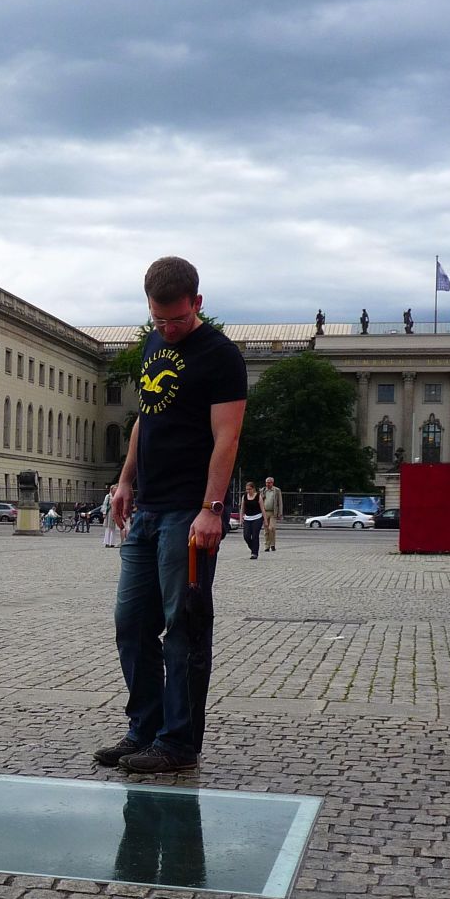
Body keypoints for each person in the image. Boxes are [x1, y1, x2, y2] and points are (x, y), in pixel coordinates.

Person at [94, 256, 247, 776]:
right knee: (131, 624)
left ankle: (178, 743)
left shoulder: (221, 356)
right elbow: (145, 418)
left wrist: (212, 509)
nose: (167, 328)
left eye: (177, 320)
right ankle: (144, 729)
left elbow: (227, 436)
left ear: (197, 304)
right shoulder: (155, 344)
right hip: (149, 509)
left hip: (189, 513)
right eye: (158, 319)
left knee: (183, 629)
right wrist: (125, 479)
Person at [239, 480, 263, 559]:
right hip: (247, 518)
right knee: (246, 536)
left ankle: (254, 553)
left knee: (255, 535)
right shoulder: (244, 497)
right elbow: (242, 508)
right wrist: (241, 519)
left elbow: (262, 509)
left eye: (249, 489)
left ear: (253, 489)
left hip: (257, 517)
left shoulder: (258, 496)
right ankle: (253, 548)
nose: (248, 491)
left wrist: (265, 520)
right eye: (247, 489)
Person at [261, 475, 283, 552]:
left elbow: (280, 502)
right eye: (267, 482)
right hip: (265, 512)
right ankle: (267, 546)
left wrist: (280, 513)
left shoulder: (276, 490)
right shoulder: (263, 490)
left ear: (272, 483)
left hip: (273, 512)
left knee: (272, 528)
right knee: (266, 529)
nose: (268, 484)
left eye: (269, 483)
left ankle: (272, 544)